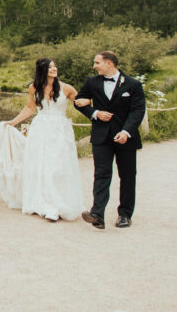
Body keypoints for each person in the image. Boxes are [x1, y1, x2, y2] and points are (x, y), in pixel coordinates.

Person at [0, 58, 84, 221]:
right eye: (50, 67)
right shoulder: (34, 88)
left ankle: (59, 203)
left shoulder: (66, 88)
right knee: (41, 165)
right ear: (42, 70)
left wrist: (96, 113)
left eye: (55, 66)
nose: (54, 69)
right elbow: (30, 108)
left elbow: (81, 102)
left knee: (58, 165)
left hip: (60, 131)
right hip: (40, 129)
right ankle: (45, 204)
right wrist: (13, 122)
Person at [73, 50, 145, 229]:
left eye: (97, 62)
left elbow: (138, 111)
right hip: (101, 136)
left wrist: (126, 132)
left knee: (127, 176)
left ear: (109, 63)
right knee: (101, 174)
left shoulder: (133, 84)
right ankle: (97, 214)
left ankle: (125, 215)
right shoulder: (92, 82)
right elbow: (78, 101)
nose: (94, 66)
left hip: (125, 137)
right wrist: (94, 113)